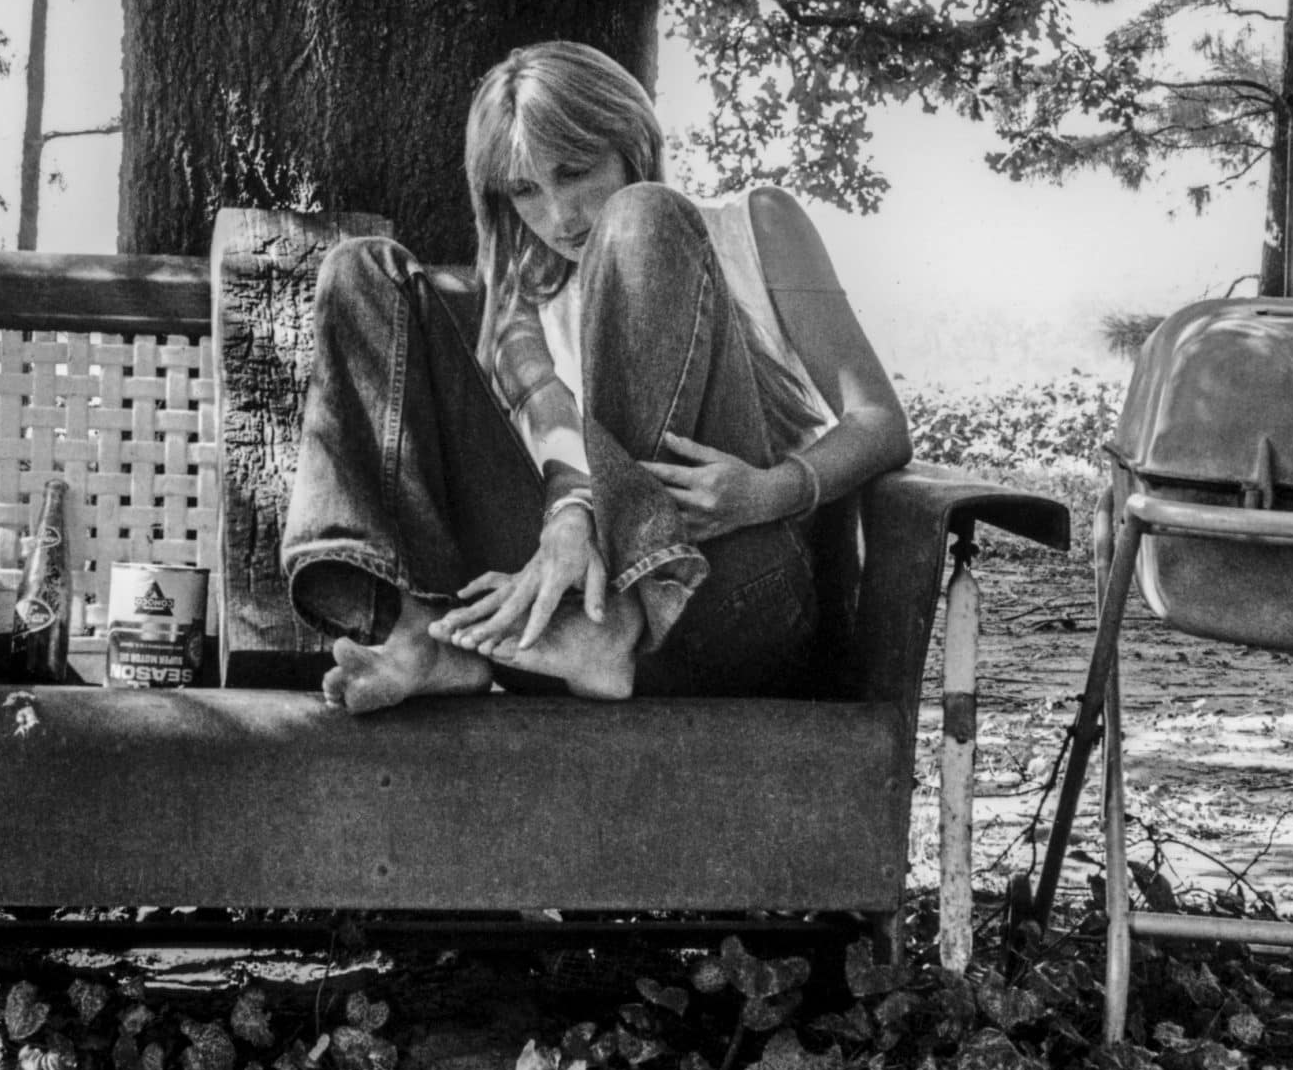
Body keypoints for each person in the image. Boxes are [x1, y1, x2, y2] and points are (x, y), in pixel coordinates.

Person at [281, 40, 911, 712]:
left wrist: (771, 491)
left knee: (640, 219)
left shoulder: (756, 227)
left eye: (575, 171)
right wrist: (571, 517)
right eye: (525, 190)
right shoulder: (521, 305)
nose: (561, 215)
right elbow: (562, 459)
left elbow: (879, 422)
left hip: (739, 600)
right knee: (359, 269)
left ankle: (621, 613)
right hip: (571, 632)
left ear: (630, 142)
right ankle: (422, 633)